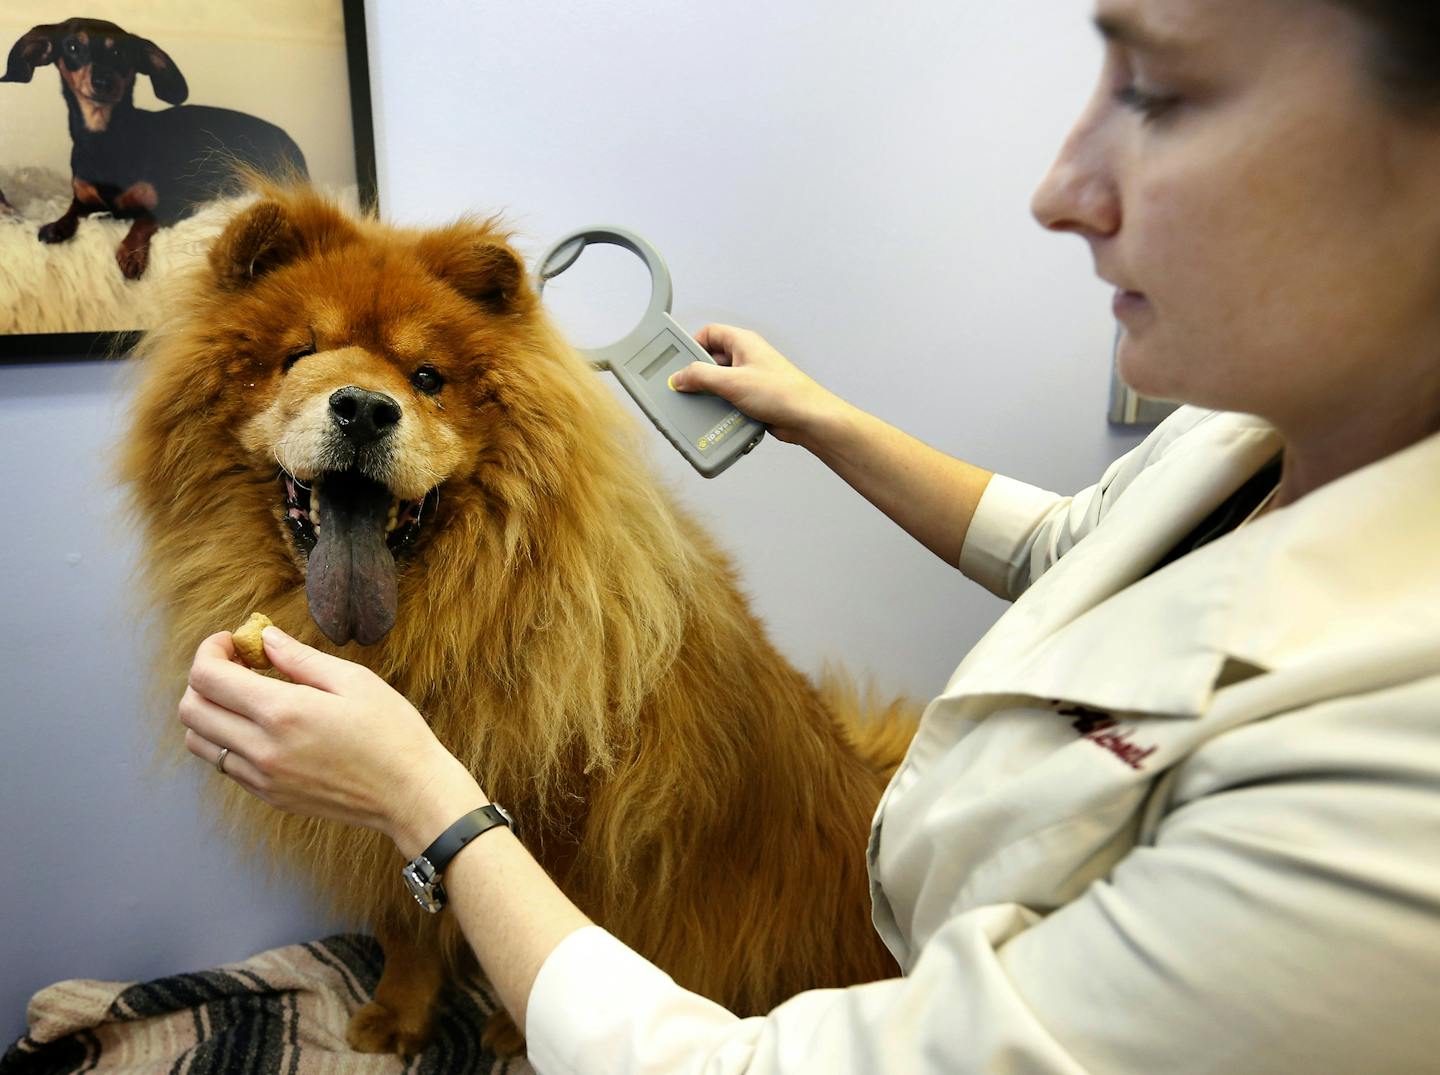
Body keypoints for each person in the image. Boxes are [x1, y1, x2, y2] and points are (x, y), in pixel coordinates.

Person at [179, 1, 1440, 1071]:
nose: (1058, 191)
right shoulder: (1250, 437)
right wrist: (823, 417)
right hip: (899, 873)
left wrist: (425, 800)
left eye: (1159, 91)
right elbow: (1085, 544)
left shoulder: (1389, 793)